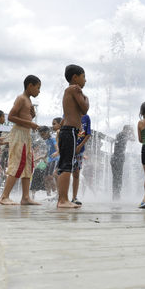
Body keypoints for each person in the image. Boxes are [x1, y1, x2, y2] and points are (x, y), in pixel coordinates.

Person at [0, 75, 42, 205]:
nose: (39, 91)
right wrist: (30, 124)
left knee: (28, 165)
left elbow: (23, 116)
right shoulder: (21, 98)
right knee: (18, 163)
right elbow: (11, 117)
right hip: (19, 133)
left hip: (26, 134)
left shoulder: (28, 100)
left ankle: (25, 197)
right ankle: (4, 196)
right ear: (30, 85)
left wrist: (32, 116)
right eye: (38, 88)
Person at [57, 65, 89, 209]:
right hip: (69, 131)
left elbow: (77, 112)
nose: (85, 80)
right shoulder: (75, 89)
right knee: (67, 166)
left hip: (67, 131)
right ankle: (63, 200)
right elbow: (85, 108)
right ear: (75, 77)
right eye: (83, 77)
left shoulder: (69, 91)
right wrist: (86, 98)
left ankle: (62, 199)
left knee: (65, 165)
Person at [71, 113, 91, 205]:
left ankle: (74, 197)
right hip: (68, 149)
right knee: (63, 172)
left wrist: (80, 146)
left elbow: (88, 134)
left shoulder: (86, 117)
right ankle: (61, 196)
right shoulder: (68, 114)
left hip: (79, 151)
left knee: (76, 173)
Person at [111, 125, 134, 200]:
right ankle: (116, 195)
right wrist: (132, 131)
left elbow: (132, 139)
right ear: (125, 130)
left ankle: (116, 195)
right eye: (128, 130)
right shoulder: (122, 134)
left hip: (116, 158)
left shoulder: (120, 134)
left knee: (117, 177)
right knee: (118, 178)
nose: (129, 132)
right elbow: (133, 139)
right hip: (117, 159)